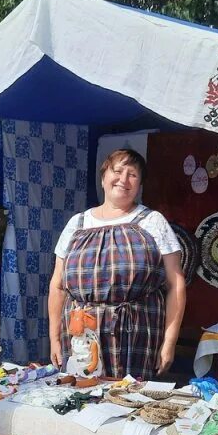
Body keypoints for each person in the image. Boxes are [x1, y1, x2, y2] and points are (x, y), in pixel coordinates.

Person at [48, 148, 186, 379]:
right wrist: (53, 338)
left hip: (135, 334)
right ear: (103, 178)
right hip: (80, 333)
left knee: (129, 405)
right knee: (81, 403)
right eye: (118, 171)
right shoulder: (77, 224)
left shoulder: (153, 222)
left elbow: (176, 284)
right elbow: (58, 286)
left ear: (140, 185)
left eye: (132, 174)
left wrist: (169, 342)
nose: (124, 179)